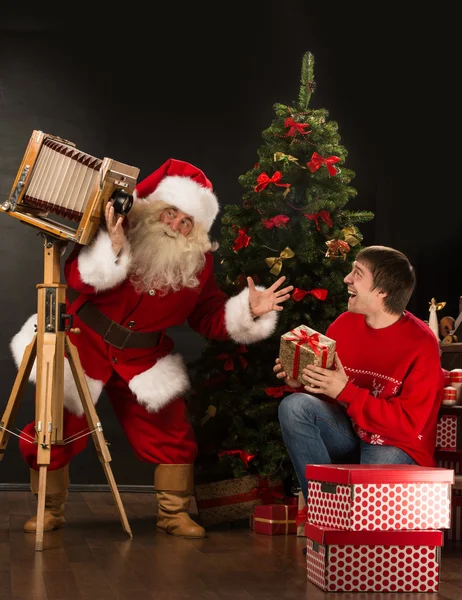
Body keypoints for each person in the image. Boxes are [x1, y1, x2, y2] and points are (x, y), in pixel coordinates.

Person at [11, 158, 293, 538]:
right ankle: (49, 508)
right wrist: (112, 247)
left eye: (186, 222)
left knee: (172, 432)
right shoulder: (119, 229)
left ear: (196, 230)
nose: (175, 225)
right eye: (171, 213)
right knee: (54, 424)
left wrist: (246, 311)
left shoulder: (199, 263)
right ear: (156, 209)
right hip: (83, 343)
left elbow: (207, 315)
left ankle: (173, 513)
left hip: (143, 356)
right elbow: (76, 277)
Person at [275, 245, 444, 501]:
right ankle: (324, 507)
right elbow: (331, 396)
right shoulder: (343, 325)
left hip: (395, 441)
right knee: (295, 406)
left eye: (358, 273)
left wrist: (347, 392)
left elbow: (408, 427)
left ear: (382, 292)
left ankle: (352, 526)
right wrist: (301, 380)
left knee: (365, 502)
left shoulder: (422, 344)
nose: (347, 279)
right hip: (352, 431)